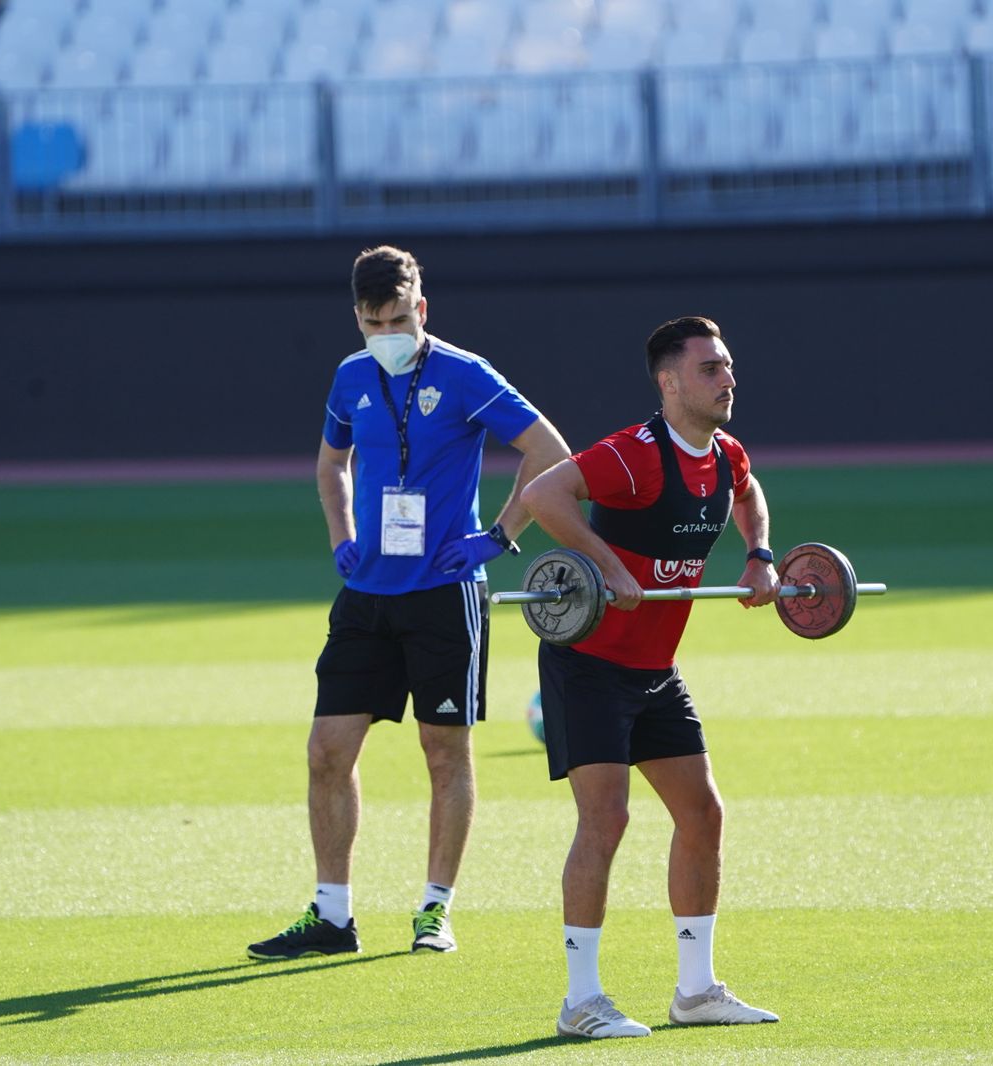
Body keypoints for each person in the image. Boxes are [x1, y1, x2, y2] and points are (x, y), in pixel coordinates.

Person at [248, 245, 569, 961]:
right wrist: (343, 538)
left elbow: (549, 449)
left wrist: (499, 536)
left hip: (444, 593)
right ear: (357, 318)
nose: (385, 333)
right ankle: (332, 916)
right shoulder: (351, 375)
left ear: (421, 310)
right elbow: (333, 462)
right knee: (327, 751)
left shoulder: (464, 373)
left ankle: (435, 910)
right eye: (372, 322)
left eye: (397, 318)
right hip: (367, 592)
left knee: (443, 751)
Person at [519, 315, 782, 1038]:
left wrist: (759, 554)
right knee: (606, 820)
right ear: (669, 382)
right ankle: (580, 1003)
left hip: (655, 670)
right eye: (710, 369)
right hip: (590, 665)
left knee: (703, 814)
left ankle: (695, 992)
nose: (728, 379)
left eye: (728, 367)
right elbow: (544, 495)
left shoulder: (724, 453)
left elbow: (747, 491)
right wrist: (605, 565)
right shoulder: (633, 456)